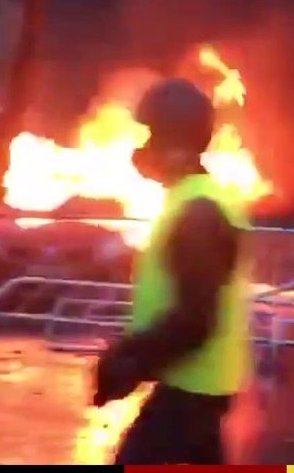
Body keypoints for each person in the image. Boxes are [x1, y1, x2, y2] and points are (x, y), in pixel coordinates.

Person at [92, 77, 252, 465]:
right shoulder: (193, 199)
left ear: (178, 146)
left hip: (194, 386)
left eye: (150, 136)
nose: (141, 149)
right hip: (200, 382)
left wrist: (129, 359)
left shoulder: (199, 211)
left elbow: (194, 319)